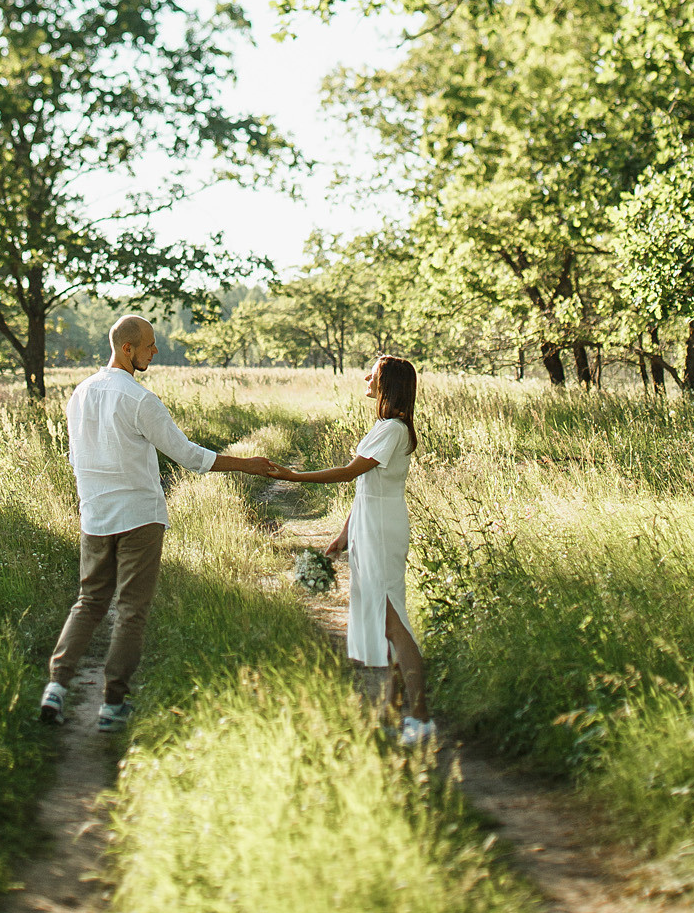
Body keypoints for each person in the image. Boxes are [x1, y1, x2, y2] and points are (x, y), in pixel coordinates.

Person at [39, 313, 276, 732]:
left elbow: (76, 458)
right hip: (139, 519)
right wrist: (248, 465)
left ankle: (56, 688)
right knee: (131, 609)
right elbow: (186, 454)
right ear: (126, 349)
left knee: (90, 601)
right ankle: (112, 705)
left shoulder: (79, 394)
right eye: (149, 344)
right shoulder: (139, 399)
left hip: (94, 516)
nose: (155, 351)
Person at [269, 354, 436, 747]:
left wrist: (293, 475)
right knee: (385, 621)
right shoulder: (386, 427)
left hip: (381, 528)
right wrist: (345, 532)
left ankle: (422, 717)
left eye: (373, 374)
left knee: (393, 622)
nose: (366, 377)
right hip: (371, 522)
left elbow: (349, 473)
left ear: (388, 384)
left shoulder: (393, 429)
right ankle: (395, 713)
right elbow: (367, 488)